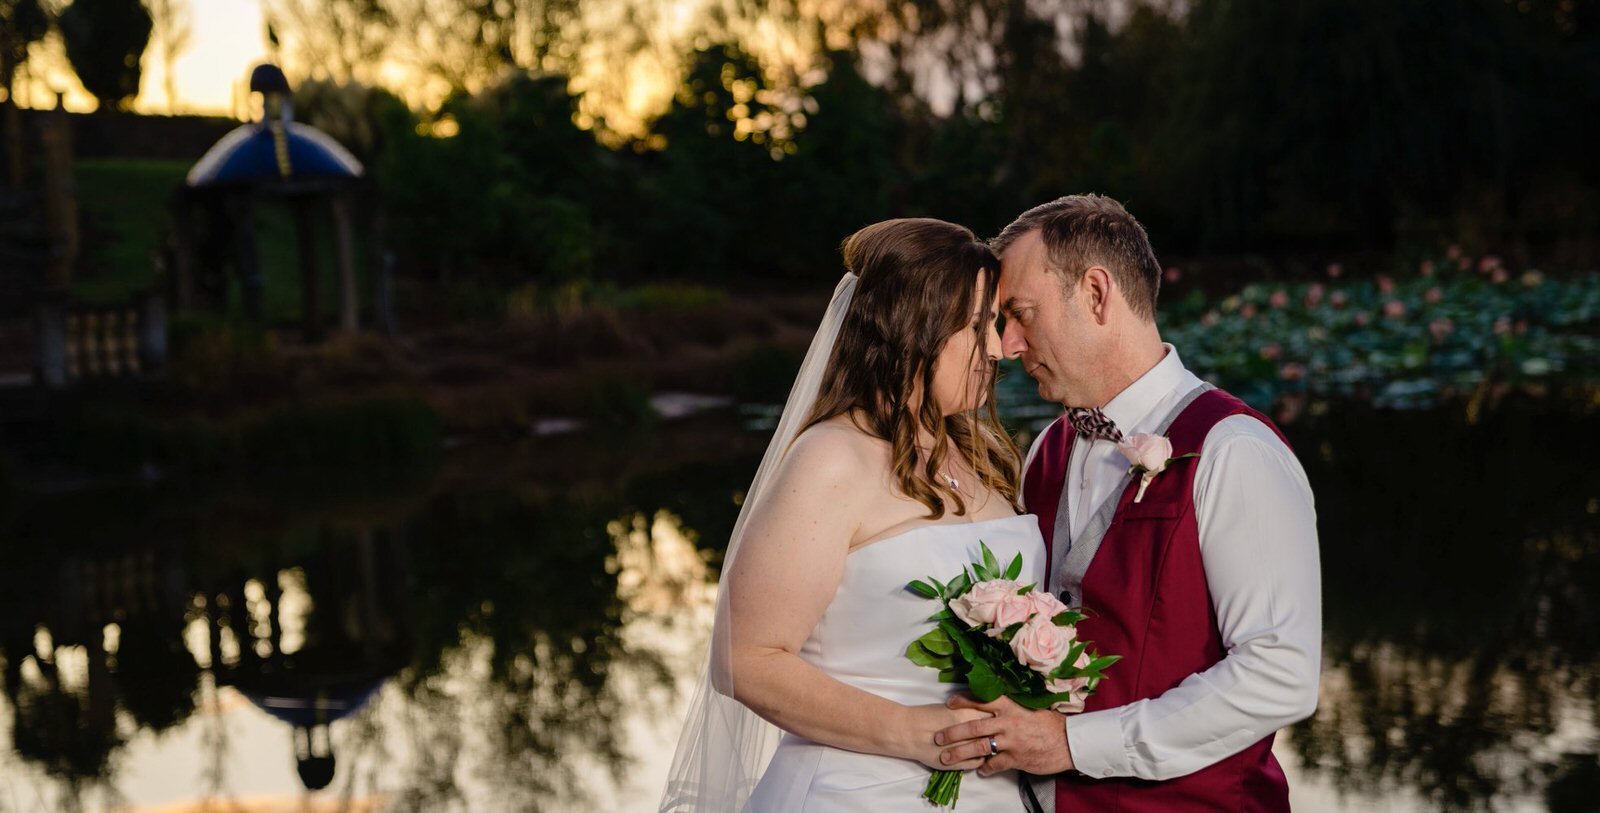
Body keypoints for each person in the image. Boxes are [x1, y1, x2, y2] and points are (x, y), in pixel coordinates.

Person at [933, 194, 1322, 812]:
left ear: (1095, 293)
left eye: (1021, 314)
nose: (1006, 345)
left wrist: (1072, 743)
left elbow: (1281, 676)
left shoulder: (1235, 453)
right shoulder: (1047, 451)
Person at [661, 218, 1045, 811]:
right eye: (976, 326)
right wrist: (913, 733)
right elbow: (745, 659)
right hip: (857, 792)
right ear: (913, 328)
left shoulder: (981, 456)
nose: (997, 348)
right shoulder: (832, 459)